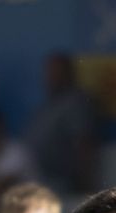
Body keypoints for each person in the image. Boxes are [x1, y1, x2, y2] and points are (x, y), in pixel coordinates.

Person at [23, 52, 101, 197]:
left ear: (69, 74)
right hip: (39, 177)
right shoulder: (50, 102)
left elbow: (83, 143)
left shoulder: (76, 102)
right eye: (49, 72)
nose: (51, 77)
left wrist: (83, 182)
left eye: (57, 72)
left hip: (63, 181)